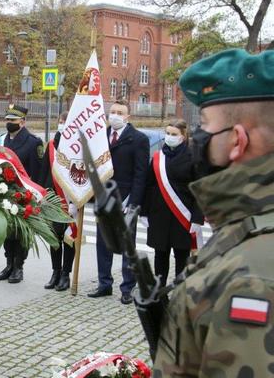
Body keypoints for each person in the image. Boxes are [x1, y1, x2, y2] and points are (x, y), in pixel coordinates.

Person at [152, 48, 274, 376]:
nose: (197, 140)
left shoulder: (250, 281)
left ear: (237, 140)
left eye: (204, 127)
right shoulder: (249, 229)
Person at [87, 100, 149, 304]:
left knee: (126, 246)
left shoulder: (138, 139)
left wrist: (132, 203)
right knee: (103, 243)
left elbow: (141, 175)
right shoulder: (101, 136)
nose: (114, 115)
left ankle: (127, 288)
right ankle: (104, 284)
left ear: (127, 116)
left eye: (119, 112)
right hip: (104, 199)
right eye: (112, 111)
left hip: (126, 200)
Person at [141, 119, 203, 282]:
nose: (169, 137)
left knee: (181, 258)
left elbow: (200, 190)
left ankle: (180, 294)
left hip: (182, 216)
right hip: (159, 215)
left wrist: (197, 218)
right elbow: (148, 186)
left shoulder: (193, 157)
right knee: (160, 257)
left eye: (174, 134)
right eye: (167, 133)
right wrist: (144, 212)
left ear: (183, 136)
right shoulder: (158, 157)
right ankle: (159, 295)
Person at [0, 104, 43, 283]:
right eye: (7, 120)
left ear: (22, 122)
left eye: (13, 120)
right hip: (5, 192)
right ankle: (8, 264)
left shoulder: (33, 142)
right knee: (8, 231)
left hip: (24, 195)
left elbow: (37, 173)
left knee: (22, 232)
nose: (9, 123)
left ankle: (18, 267)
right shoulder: (2, 140)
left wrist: (34, 197)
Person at [37, 111, 75, 291]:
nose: (63, 124)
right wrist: (40, 196)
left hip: (71, 200)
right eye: (61, 121)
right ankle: (55, 272)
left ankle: (66, 274)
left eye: (67, 122)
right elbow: (43, 172)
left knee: (69, 238)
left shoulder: (78, 147)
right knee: (54, 238)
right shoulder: (52, 145)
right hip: (52, 199)